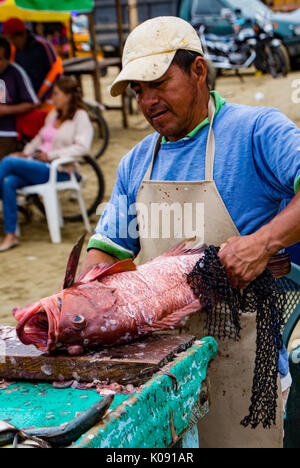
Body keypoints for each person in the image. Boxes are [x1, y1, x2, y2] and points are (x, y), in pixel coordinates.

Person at [79, 17, 300, 448]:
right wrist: (79, 304)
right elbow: (105, 253)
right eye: (138, 90)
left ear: (198, 70)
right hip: (163, 377)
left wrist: (262, 243)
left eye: (158, 83)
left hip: (245, 371)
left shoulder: (257, 131)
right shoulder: (136, 163)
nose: (147, 100)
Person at [0, 76, 93, 252]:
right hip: (37, 165)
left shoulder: (81, 117)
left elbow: (83, 148)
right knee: (8, 181)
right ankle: (11, 235)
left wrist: (50, 155)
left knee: (8, 161)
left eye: (56, 93)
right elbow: (38, 139)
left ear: (67, 95)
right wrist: (25, 154)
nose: (53, 97)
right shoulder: (53, 115)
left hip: (59, 169)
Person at [2, 18, 63, 112]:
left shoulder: (42, 46)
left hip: (47, 105)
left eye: (12, 38)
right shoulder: (13, 51)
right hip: (27, 106)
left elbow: (56, 73)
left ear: (22, 34)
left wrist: (40, 99)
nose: (11, 42)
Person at [0, 35, 38, 159]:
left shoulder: (16, 72)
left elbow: (32, 103)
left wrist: (6, 110)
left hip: (7, 133)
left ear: (7, 59)